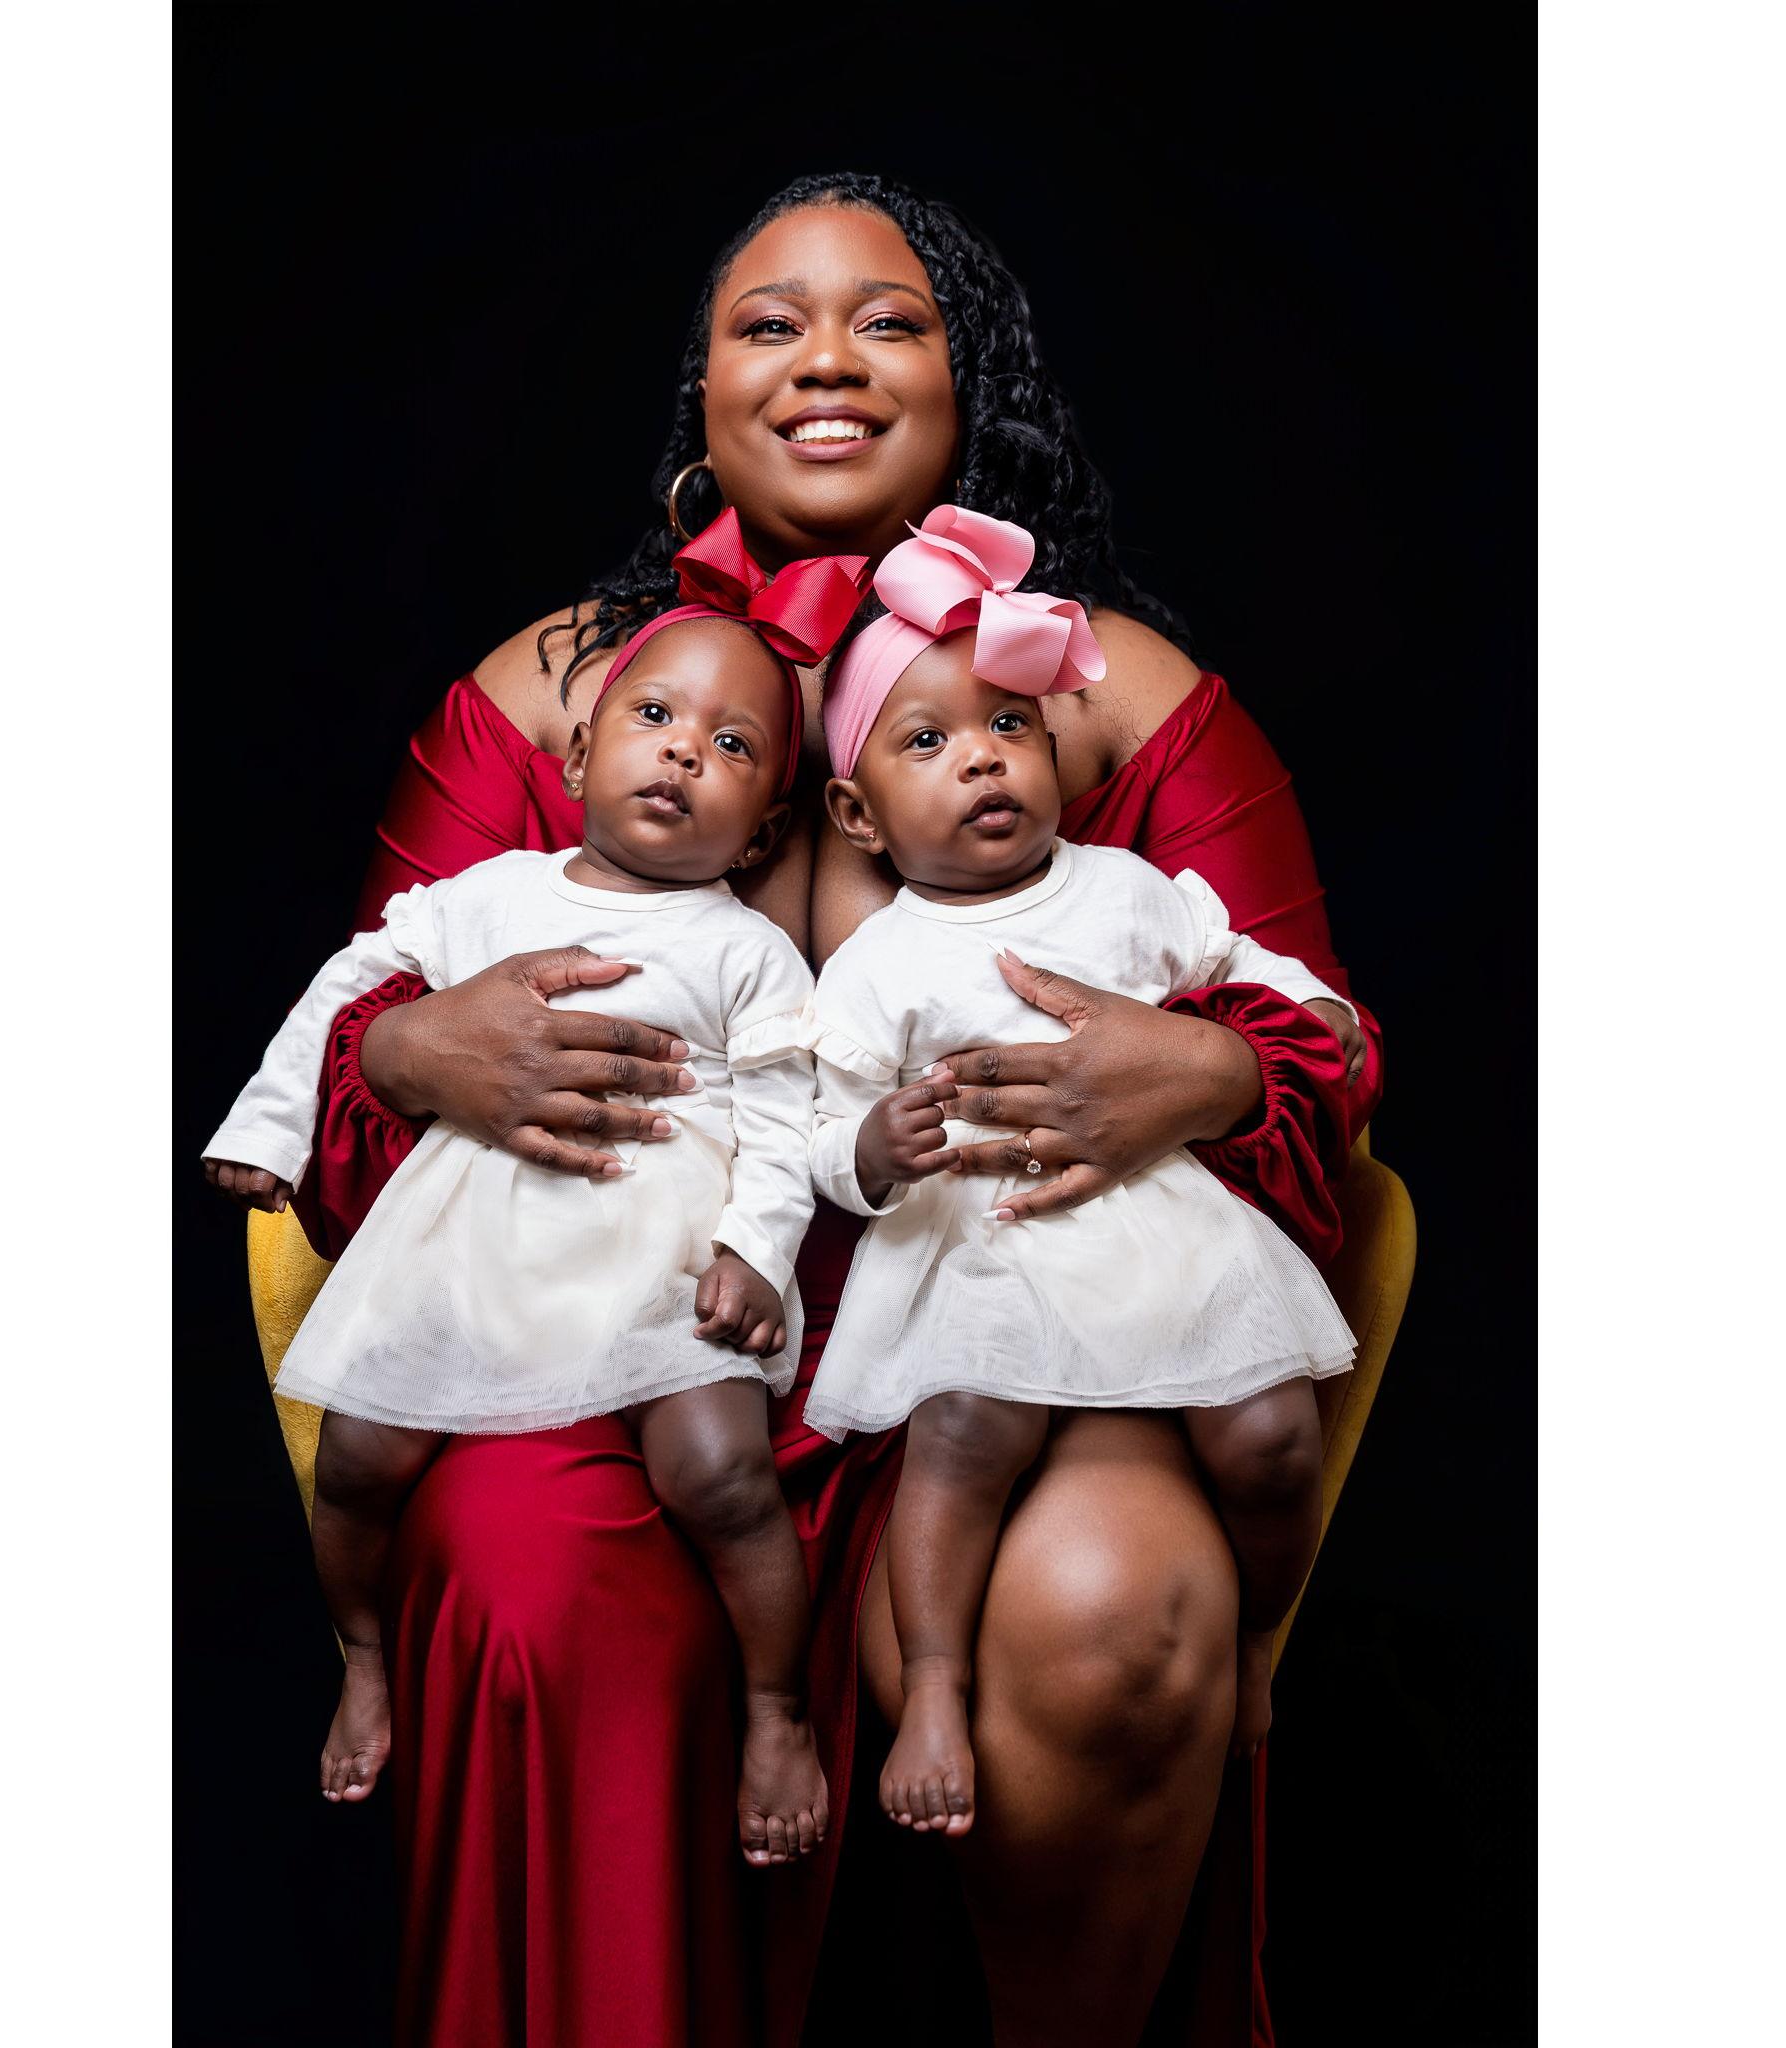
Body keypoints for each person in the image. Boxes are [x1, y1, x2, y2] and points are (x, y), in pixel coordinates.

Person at [275, 172, 1382, 2046]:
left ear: (971, 382)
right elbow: (359, 1026)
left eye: (890, 321)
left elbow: (1321, 1050)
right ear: (702, 389)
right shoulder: (542, 694)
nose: (826, 363)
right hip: (615, 1329)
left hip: (1017, 1324)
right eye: (769, 325)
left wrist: (1207, 1069)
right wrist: (406, 1053)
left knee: (1113, 1607)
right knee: (528, 1585)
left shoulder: (1118, 693)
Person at [205, 531, 867, 1863]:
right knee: (361, 1461)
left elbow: (790, 1118)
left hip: (659, 1258)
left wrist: (752, 1252)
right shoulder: (485, 899)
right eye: (655, 717)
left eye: (733, 746)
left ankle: (777, 1708)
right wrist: (272, 1126)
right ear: (575, 762)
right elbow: (351, 986)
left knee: (721, 1472)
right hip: (480, 1252)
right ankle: (364, 1656)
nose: (684, 754)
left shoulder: (748, 953)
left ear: (766, 829)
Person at [804, 507, 1363, 1842]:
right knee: (964, 1432)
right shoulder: (877, 964)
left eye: (1011, 725)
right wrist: (873, 1149)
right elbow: (822, 1131)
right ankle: (936, 1688)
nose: (981, 758)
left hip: (1152, 1228)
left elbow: (1239, 965)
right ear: (856, 814)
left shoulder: (1125, 890)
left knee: (1270, 1434)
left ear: (1056, 751)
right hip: (987, 1237)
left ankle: (1256, 1640)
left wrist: (1313, 1011)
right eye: (927, 743)